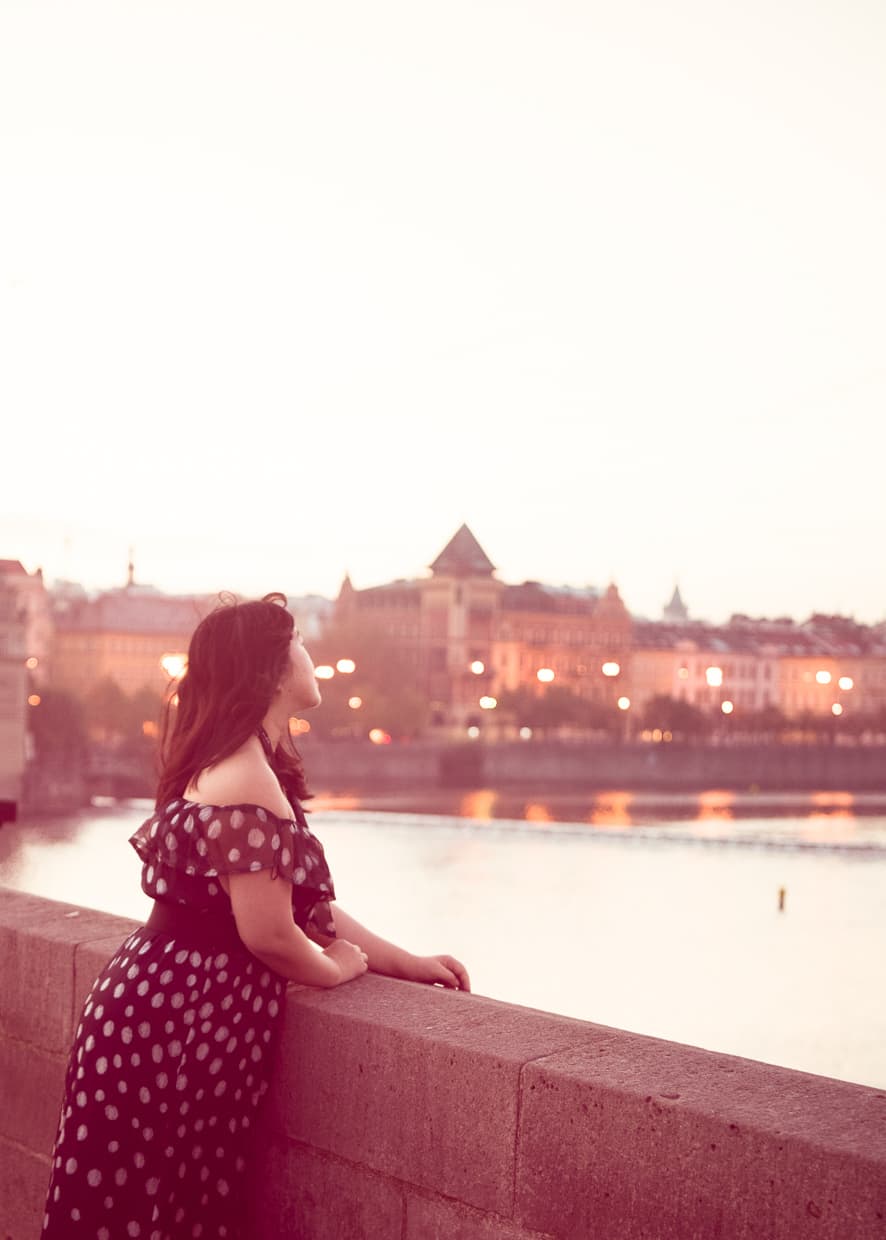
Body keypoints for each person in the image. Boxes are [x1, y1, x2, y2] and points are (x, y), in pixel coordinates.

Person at [43, 592, 470, 1239]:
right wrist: (336, 972)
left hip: (159, 1005)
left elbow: (306, 908)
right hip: (183, 1022)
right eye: (298, 641)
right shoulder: (248, 776)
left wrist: (407, 963)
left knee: (126, 1201)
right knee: (166, 1204)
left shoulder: (234, 759)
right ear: (272, 671)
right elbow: (271, 933)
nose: (311, 655)